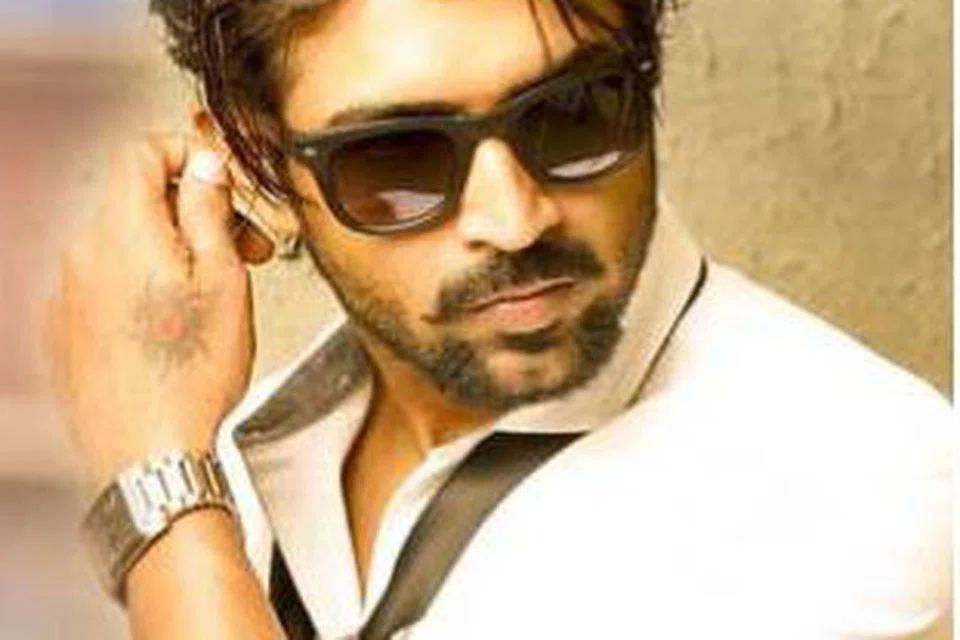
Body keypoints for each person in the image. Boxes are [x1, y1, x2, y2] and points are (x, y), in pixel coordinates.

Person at [47, 0, 951, 638]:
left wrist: (158, 495)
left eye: (572, 113)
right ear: (256, 166)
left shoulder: (859, 477)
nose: (515, 220)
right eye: (397, 158)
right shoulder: (237, 450)